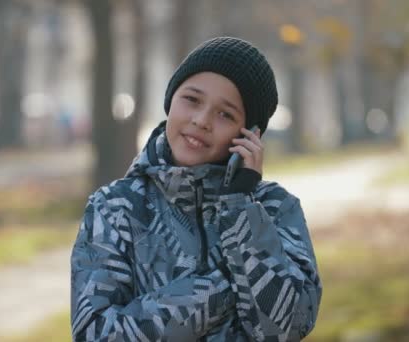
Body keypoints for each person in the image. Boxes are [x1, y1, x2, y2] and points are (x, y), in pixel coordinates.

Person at [71, 36, 322, 341]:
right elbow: (95, 335)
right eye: (192, 99)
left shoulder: (277, 208)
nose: (202, 120)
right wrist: (221, 288)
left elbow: (285, 329)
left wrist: (240, 207)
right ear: (170, 100)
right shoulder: (114, 209)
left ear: (250, 134)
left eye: (225, 114)